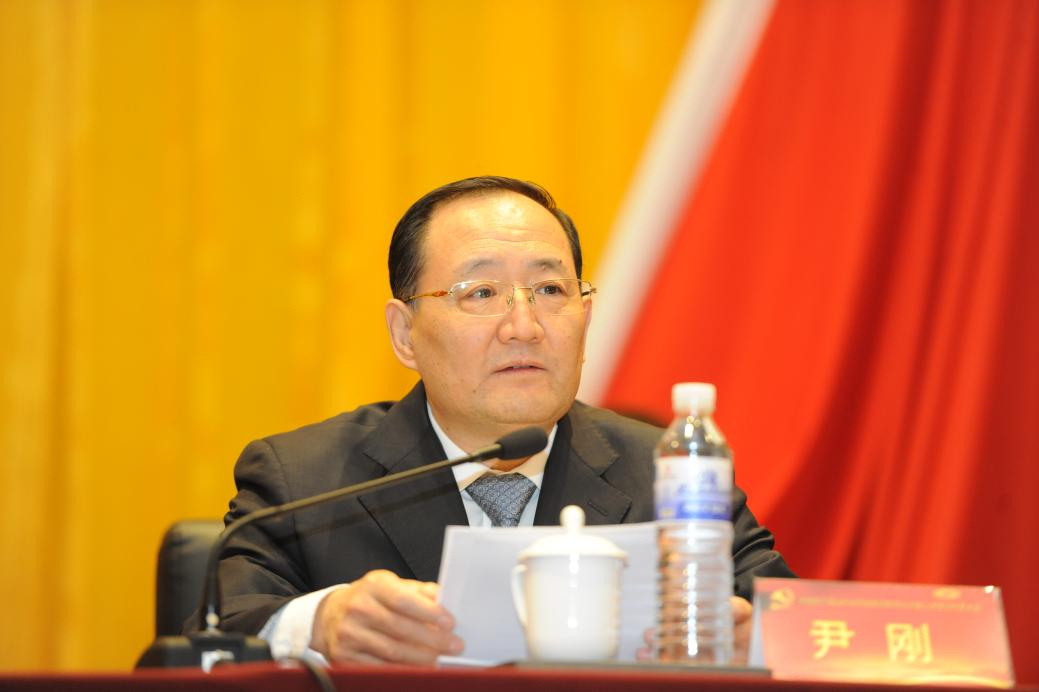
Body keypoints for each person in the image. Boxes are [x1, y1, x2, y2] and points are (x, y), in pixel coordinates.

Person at [209, 176, 794, 665]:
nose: (523, 327)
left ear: (585, 317)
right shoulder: (303, 480)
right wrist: (318, 623)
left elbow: (804, 628)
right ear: (405, 333)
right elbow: (216, 639)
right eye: (481, 292)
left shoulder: (670, 475)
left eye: (550, 289)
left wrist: (753, 639)